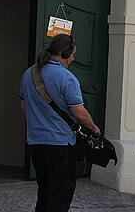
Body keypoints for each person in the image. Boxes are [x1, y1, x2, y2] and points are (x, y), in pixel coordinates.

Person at [19, 33, 101, 212]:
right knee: (59, 197)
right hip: (61, 145)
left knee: (45, 192)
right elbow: (79, 113)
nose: (74, 58)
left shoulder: (29, 74)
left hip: (36, 142)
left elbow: (24, 107)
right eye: (73, 53)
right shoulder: (67, 78)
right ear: (65, 53)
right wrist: (94, 128)